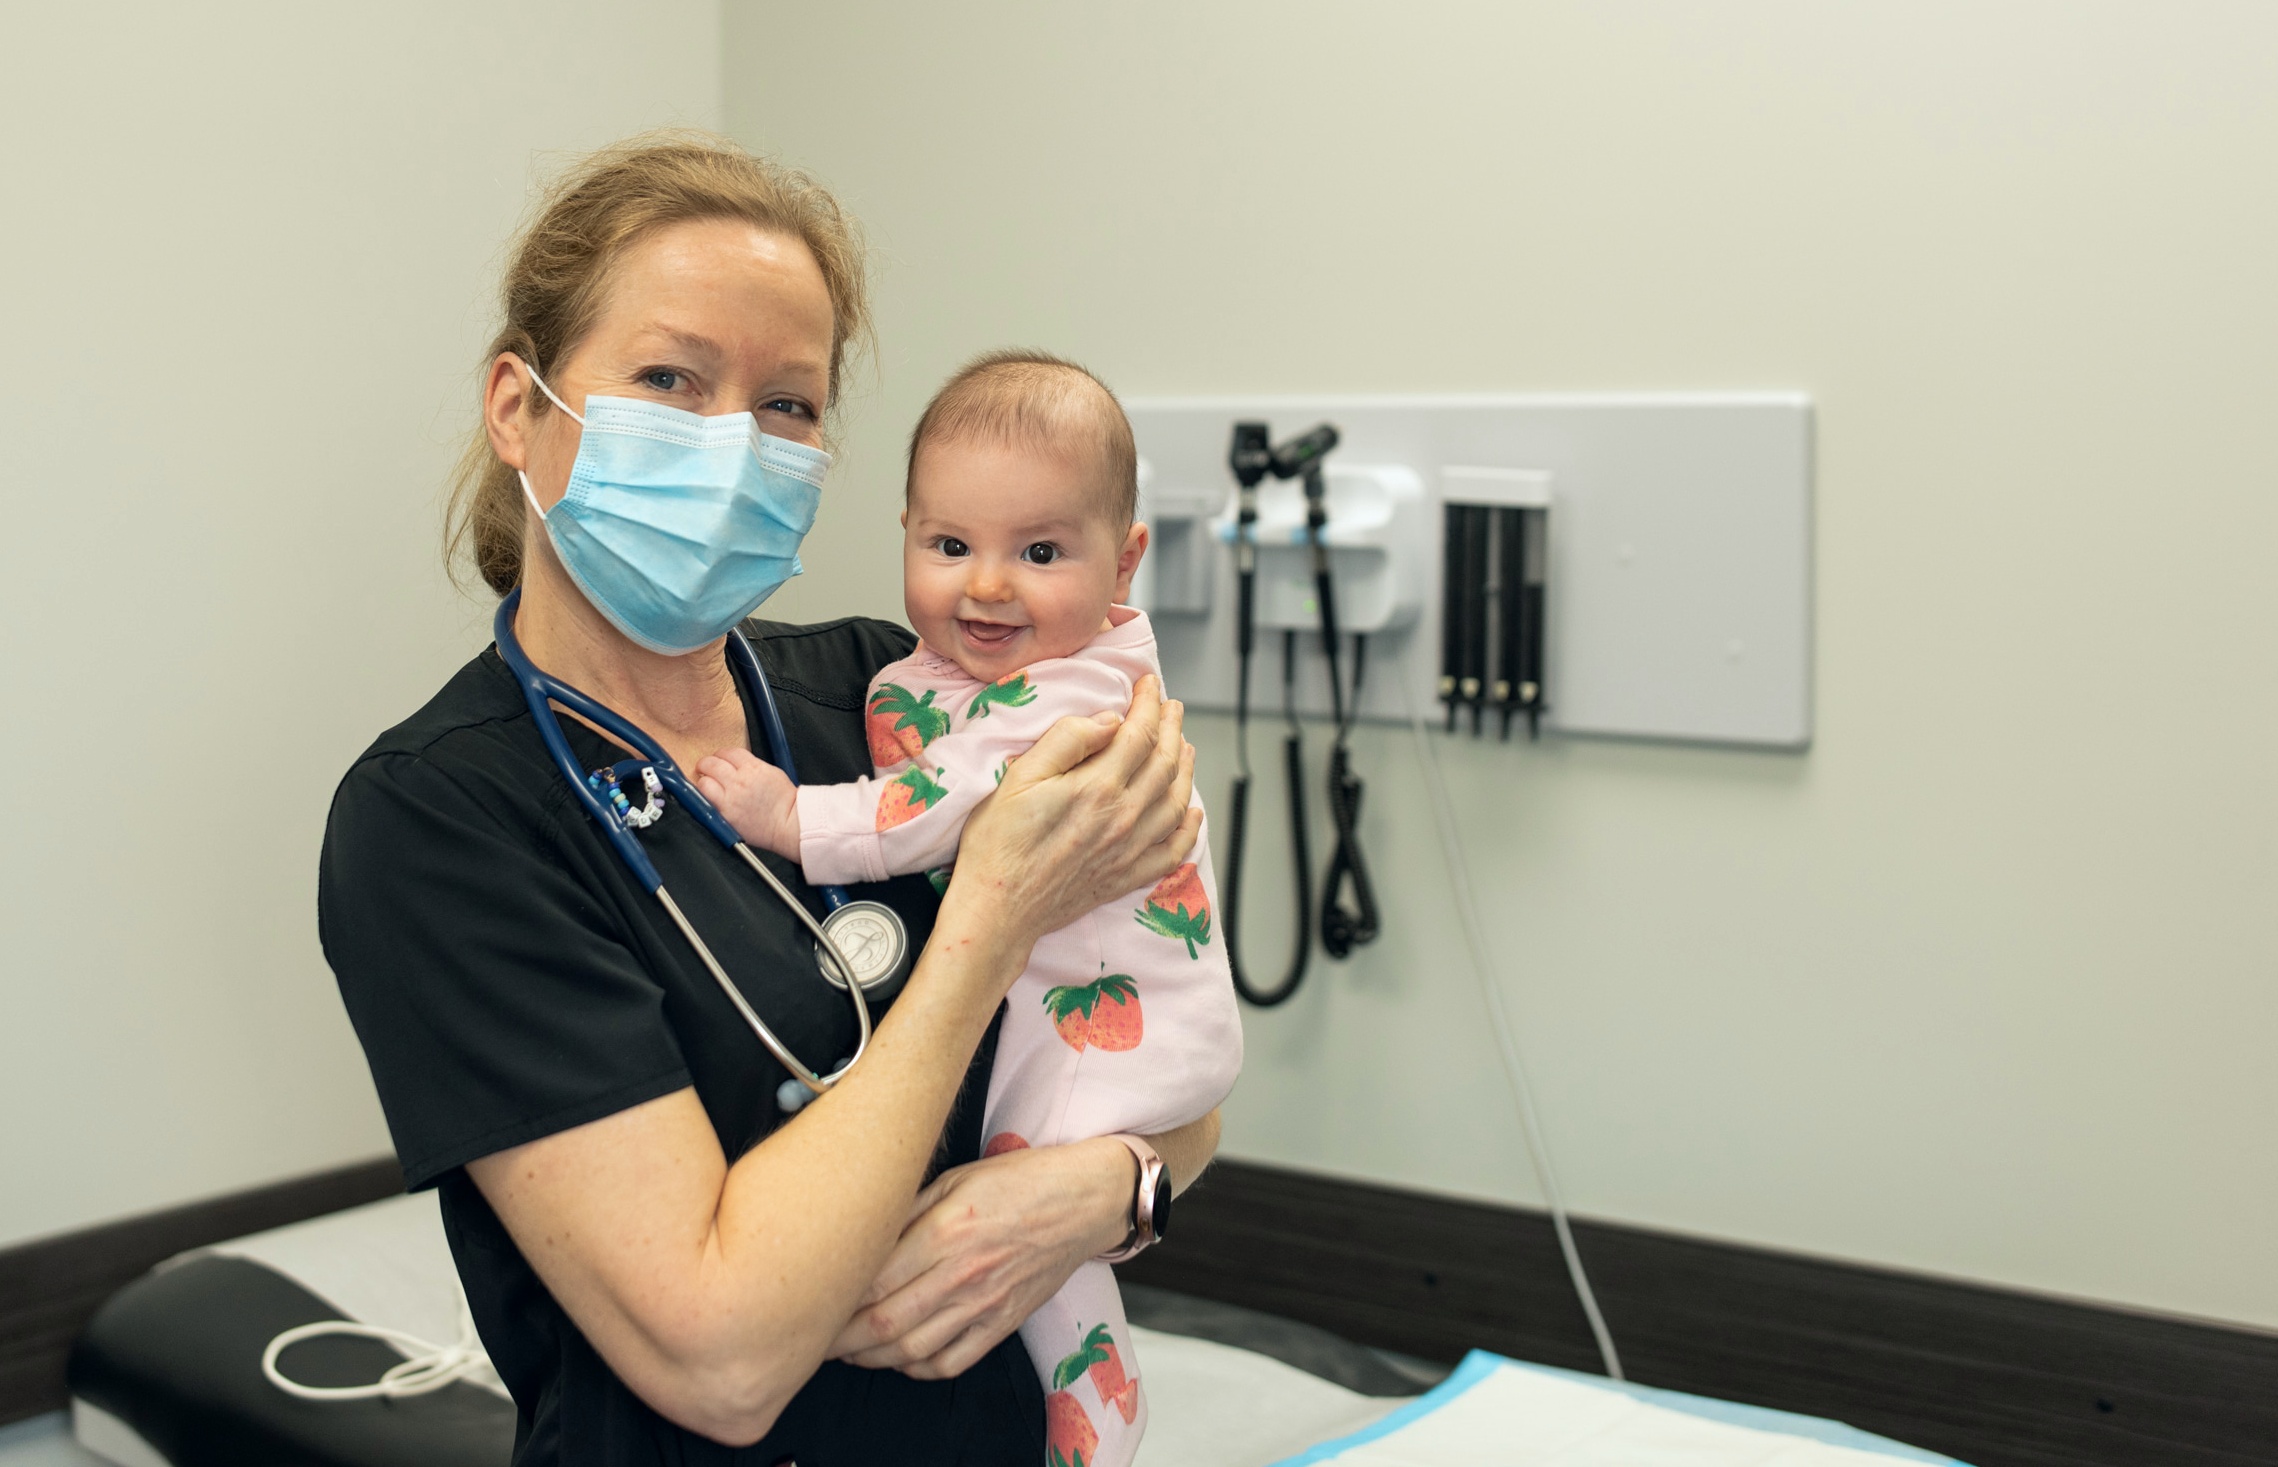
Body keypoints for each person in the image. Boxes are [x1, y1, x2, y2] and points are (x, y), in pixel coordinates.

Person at [318, 134, 1218, 1465]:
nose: (731, 444)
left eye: (787, 405)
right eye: (671, 379)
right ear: (519, 406)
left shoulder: (893, 693)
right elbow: (720, 1356)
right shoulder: (444, 819)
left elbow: (1172, 1066)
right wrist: (989, 918)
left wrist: (1103, 1190)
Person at [695, 350, 1243, 1467]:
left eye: (1039, 553)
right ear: (905, 531)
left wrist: (792, 818)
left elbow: (931, 804)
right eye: (949, 547)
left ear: (1123, 561)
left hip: (1117, 1034)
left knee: (1031, 1236)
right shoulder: (949, 668)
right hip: (1114, 1038)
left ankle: (1100, 1432)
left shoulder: (1072, 691)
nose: (987, 587)